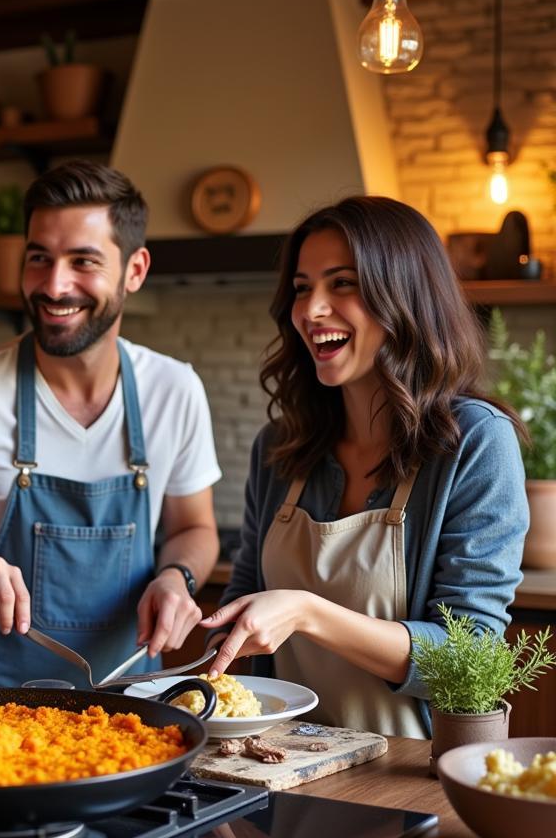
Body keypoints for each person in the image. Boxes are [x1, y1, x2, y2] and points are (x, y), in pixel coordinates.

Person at [0, 160, 221, 688]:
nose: (55, 286)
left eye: (83, 261)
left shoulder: (174, 390)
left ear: (135, 269)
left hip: (136, 708)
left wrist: (178, 577)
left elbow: (194, 528)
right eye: (39, 258)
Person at [202, 195, 529, 737]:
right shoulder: (279, 446)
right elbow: (245, 593)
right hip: (279, 766)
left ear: (404, 294)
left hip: (406, 776)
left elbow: (470, 654)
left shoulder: (474, 441)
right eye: (303, 288)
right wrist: (214, 633)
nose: (311, 310)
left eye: (342, 283)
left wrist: (308, 612)